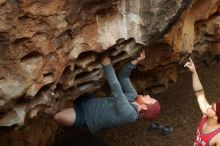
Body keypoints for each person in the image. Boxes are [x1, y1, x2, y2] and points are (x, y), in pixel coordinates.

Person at [54, 51, 160, 133]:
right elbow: (123, 77)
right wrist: (135, 61)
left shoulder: (130, 115)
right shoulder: (134, 96)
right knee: (67, 92)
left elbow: (117, 90)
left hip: (86, 117)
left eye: (149, 99)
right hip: (91, 100)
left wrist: (107, 65)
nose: (148, 95)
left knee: (57, 116)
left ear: (145, 107)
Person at [184, 58, 220, 146]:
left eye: (212, 108)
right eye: (212, 105)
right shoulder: (205, 114)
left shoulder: (218, 137)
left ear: (216, 117)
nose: (208, 106)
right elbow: (199, 93)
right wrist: (194, 72)